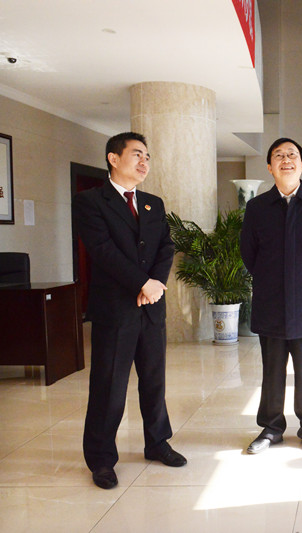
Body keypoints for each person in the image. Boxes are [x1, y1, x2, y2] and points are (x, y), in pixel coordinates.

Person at [73, 132, 186, 490]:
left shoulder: (153, 203)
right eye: (137, 154)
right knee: (109, 386)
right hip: (115, 309)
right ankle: (101, 459)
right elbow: (102, 250)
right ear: (113, 158)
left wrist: (155, 284)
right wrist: (142, 282)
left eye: (147, 157)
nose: (144, 162)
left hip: (151, 306)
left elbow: (166, 247)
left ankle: (157, 442)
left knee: (154, 380)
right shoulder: (90, 201)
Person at [240, 137, 302, 455]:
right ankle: (271, 428)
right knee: (272, 370)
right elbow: (249, 253)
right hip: (270, 302)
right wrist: (271, 281)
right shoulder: (257, 207)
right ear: (270, 167)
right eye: (279, 155)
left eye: (292, 155)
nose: (286, 160)